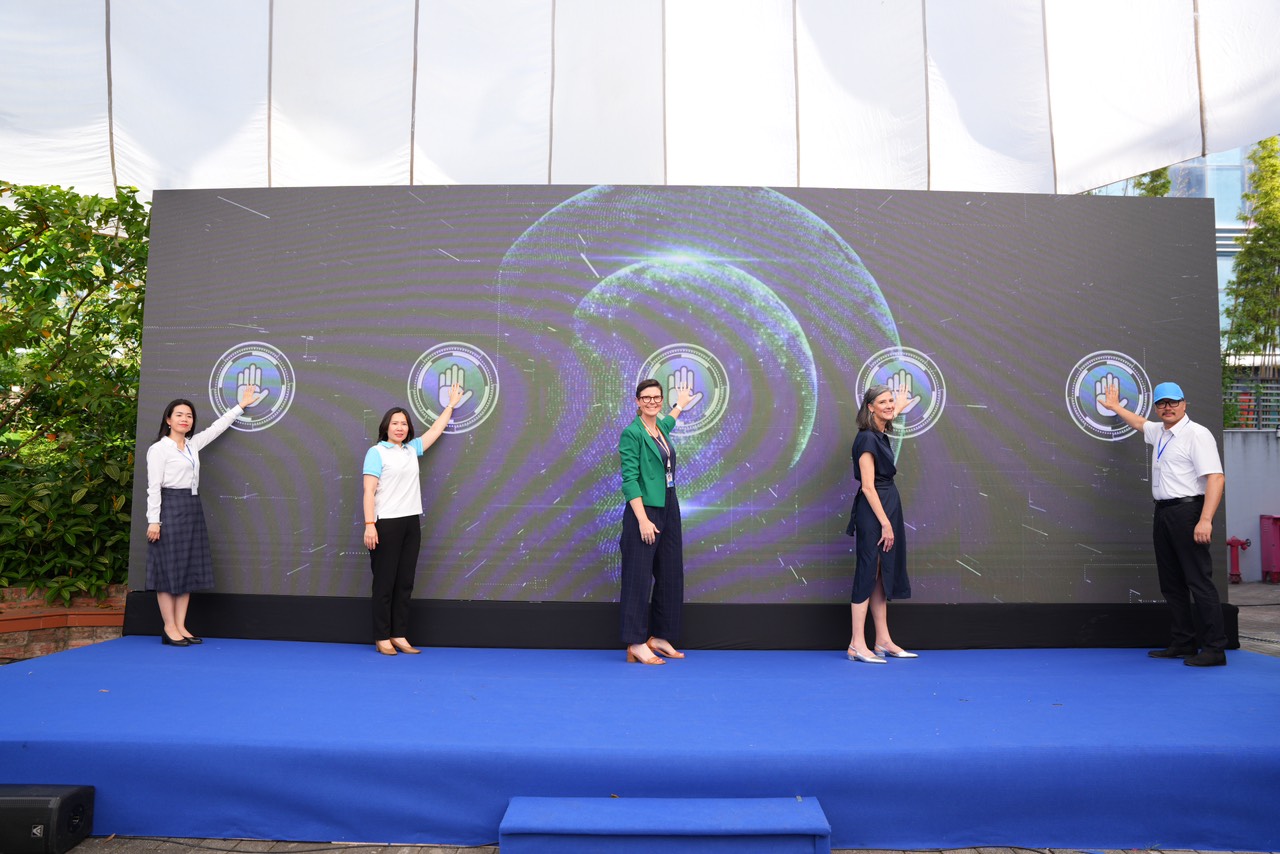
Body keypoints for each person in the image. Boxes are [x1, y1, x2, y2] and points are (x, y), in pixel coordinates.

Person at [1101, 378, 1227, 666]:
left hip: (1188, 513)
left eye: (1173, 402)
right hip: (1164, 513)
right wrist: (1114, 407)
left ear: (1184, 404)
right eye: (1162, 403)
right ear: (1157, 408)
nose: (1168, 407)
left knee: (1198, 581)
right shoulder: (1159, 431)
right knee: (1171, 584)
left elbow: (1216, 478)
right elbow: (1139, 423)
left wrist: (1205, 519)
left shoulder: (1197, 434)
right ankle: (1183, 642)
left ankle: (1214, 649)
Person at [146, 381, 262, 646]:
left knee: (186, 569)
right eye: (179, 414)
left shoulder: (192, 445)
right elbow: (153, 487)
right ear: (168, 420)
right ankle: (169, 628)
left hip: (191, 507)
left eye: (189, 415)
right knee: (167, 571)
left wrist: (241, 405)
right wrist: (154, 521)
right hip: (169, 508)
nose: (185, 419)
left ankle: (181, 625)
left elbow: (217, 427)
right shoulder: (159, 449)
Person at [362, 382, 464, 656]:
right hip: (385, 524)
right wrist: (370, 525)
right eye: (395, 423)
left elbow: (435, 431)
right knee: (384, 583)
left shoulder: (411, 450)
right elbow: (369, 491)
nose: (400, 428)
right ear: (386, 427)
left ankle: (398, 634)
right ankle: (381, 636)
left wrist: (450, 405)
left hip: (410, 523)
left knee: (405, 582)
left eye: (404, 424)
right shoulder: (376, 452)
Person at [618, 378, 694, 665]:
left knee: (671, 573)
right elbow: (630, 480)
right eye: (646, 398)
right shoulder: (632, 433)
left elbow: (669, 422)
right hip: (644, 509)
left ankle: (661, 637)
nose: (652, 402)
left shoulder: (659, 427)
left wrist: (680, 405)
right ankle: (636, 643)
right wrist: (642, 520)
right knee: (638, 577)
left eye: (656, 397)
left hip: (669, 505)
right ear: (637, 401)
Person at [845, 384, 916, 663]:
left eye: (890, 401)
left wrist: (898, 406)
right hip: (874, 511)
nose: (889, 405)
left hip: (888, 506)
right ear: (870, 407)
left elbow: (889, 414)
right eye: (882, 402)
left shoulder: (879, 432)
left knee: (880, 575)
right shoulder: (866, 439)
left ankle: (883, 640)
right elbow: (867, 487)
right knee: (867, 572)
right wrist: (885, 523)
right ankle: (856, 644)